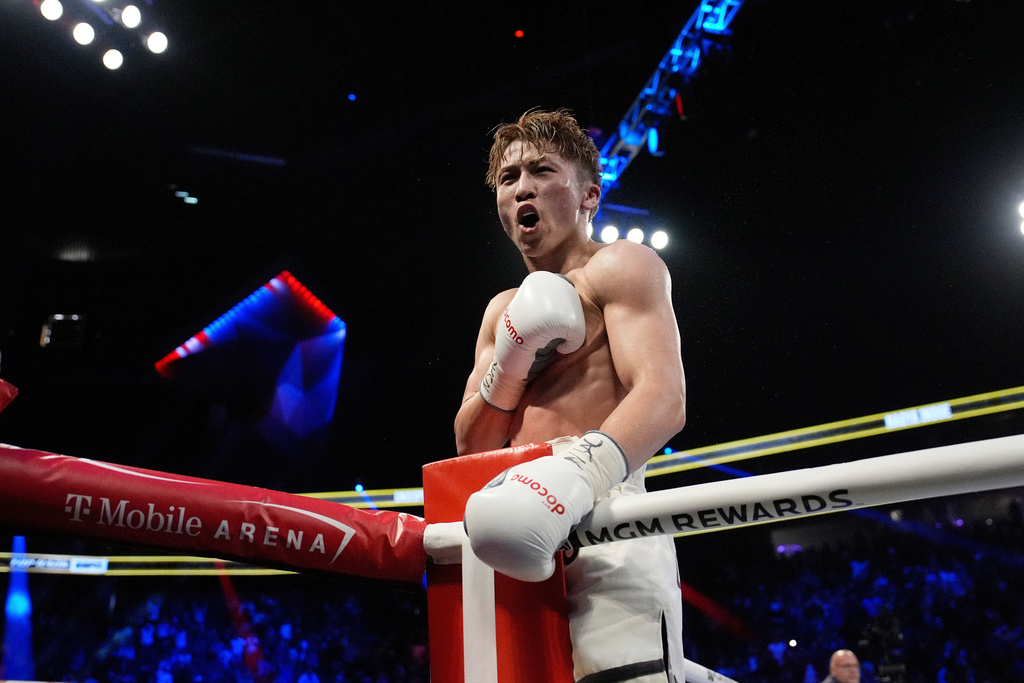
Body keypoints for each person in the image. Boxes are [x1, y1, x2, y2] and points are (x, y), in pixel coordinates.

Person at [455, 108, 687, 682]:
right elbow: (471, 442)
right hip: (516, 527)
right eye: (509, 179)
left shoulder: (622, 267)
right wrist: (511, 360)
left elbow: (663, 397)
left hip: (609, 517)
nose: (523, 187)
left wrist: (575, 474)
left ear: (589, 194)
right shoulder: (499, 312)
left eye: (542, 170)